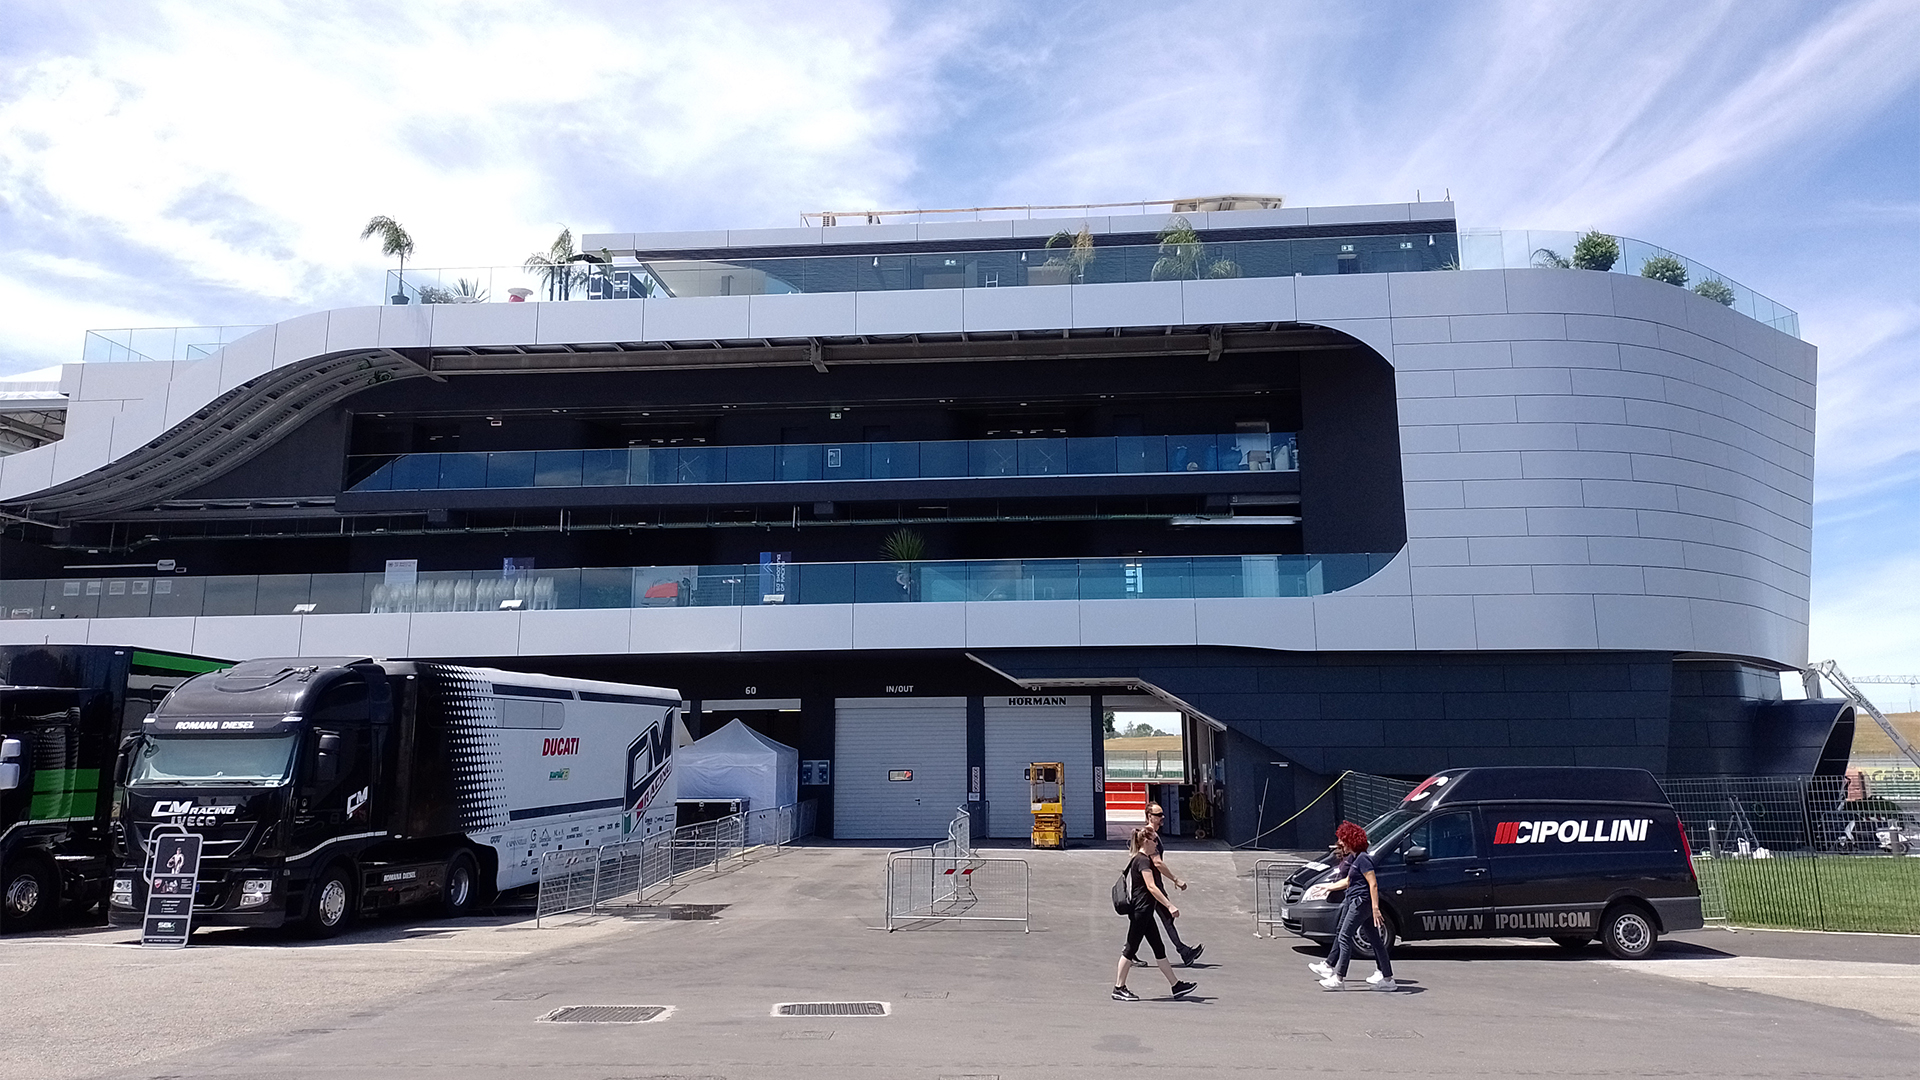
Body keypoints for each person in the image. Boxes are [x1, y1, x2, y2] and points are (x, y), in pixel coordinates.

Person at [1308, 820, 1396, 991]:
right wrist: (1326, 887)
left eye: (1343, 839)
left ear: (1351, 840)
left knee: (1344, 936)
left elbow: (1373, 884)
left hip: (1360, 902)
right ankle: (1388, 979)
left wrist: (1375, 908)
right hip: (1358, 901)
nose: (1340, 843)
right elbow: (1348, 881)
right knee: (1376, 940)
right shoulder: (1355, 858)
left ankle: (1339, 978)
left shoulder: (1363, 859)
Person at [1113, 827, 1198, 1001]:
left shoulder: (1140, 859)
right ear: (1145, 841)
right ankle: (1118, 988)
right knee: (1130, 949)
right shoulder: (1142, 861)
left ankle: (1176, 986)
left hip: (1145, 912)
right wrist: (1169, 905)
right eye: (1154, 841)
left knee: (1159, 949)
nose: (1157, 844)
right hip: (1141, 912)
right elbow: (1152, 887)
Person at [1146, 803, 1203, 966]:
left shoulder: (1152, 834)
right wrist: (1176, 879)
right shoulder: (1150, 835)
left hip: (1152, 885)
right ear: (1150, 816)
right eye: (1158, 814)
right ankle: (1184, 952)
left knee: (1145, 922)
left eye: (1162, 814)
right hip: (1151, 886)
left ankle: (1129, 953)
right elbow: (1157, 863)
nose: (1162, 817)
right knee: (1163, 918)